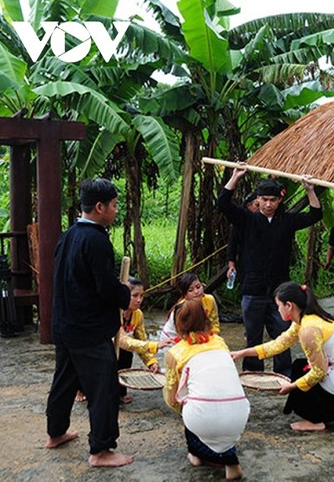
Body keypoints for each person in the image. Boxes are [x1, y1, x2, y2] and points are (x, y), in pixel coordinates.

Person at [45, 178, 133, 467]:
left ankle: (55, 433)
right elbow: (105, 286)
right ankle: (101, 450)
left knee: (65, 380)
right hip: (88, 329)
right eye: (114, 205)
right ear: (99, 207)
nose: (116, 210)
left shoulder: (68, 235)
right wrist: (126, 297)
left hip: (65, 323)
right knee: (104, 386)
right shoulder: (96, 240)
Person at [217, 167, 322, 377]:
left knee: (282, 334)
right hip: (253, 288)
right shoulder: (247, 220)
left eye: (272, 200)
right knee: (253, 334)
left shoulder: (287, 221)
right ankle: (252, 374)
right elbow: (223, 204)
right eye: (264, 199)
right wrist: (236, 176)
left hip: (280, 291)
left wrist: (309, 190)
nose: (268, 204)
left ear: (279, 201)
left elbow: (315, 214)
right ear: (258, 199)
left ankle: (282, 373)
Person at [232, 282, 334, 432]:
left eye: (278, 306)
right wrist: (243, 353)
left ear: (289, 306)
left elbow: (318, 372)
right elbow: (278, 344)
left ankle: (315, 420)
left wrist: (292, 387)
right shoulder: (307, 317)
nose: (277, 310)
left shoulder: (308, 330)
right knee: (301, 366)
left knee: (304, 373)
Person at [163, 299, 249, 481]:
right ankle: (229, 461)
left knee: (188, 402)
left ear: (178, 324)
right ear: (205, 318)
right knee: (217, 413)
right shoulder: (219, 342)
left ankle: (196, 454)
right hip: (240, 415)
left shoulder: (175, 353)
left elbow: (172, 399)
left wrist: (185, 406)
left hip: (202, 419)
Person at [76, 277, 169, 405]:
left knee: (127, 354)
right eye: (134, 295)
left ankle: (120, 392)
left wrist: (151, 362)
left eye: (141, 296)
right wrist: (155, 345)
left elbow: (141, 339)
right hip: (98, 346)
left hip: (120, 348)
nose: (139, 300)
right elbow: (123, 340)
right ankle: (81, 388)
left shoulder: (138, 315)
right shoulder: (112, 312)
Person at [160, 272, 220, 342]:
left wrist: (216, 337)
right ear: (185, 295)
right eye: (191, 290)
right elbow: (182, 334)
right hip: (172, 337)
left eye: (198, 287)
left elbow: (214, 322)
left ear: (202, 285)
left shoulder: (210, 300)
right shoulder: (182, 308)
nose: (197, 291)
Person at [226, 191, 260, 287]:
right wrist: (231, 265)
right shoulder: (241, 221)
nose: (259, 208)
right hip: (246, 266)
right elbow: (232, 244)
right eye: (257, 205)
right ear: (249, 206)